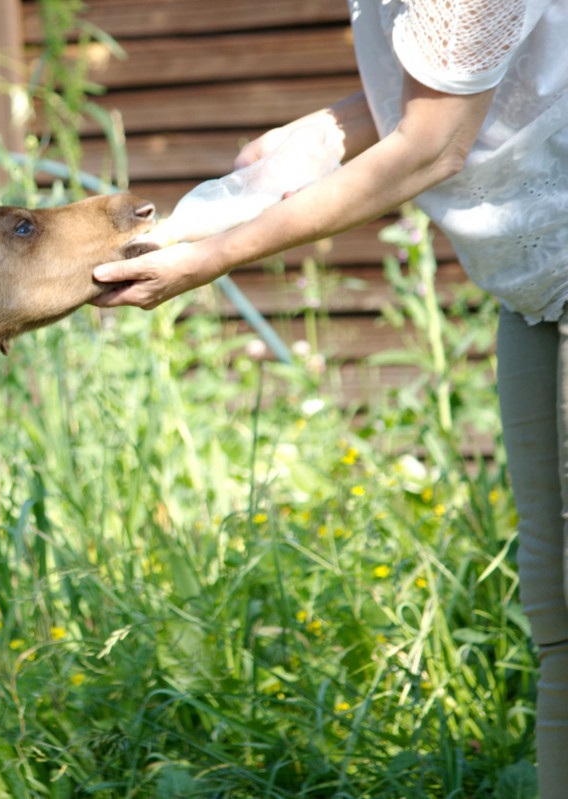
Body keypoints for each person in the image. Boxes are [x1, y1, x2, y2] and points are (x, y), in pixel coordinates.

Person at [92, 0, 568, 793]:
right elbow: (439, 90)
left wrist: (218, 254)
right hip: (537, 289)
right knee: (557, 623)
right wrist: (295, 148)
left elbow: (431, 146)